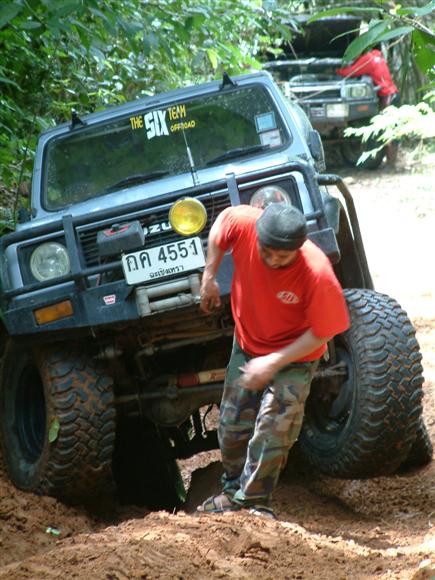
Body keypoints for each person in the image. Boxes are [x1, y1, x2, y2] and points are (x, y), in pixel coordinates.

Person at [196, 203, 350, 519]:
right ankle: (232, 493)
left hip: (296, 355)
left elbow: (323, 332)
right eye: (268, 252)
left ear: (299, 248)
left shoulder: (316, 272)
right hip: (247, 342)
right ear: (258, 237)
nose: (274, 260)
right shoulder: (243, 223)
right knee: (232, 426)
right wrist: (209, 276)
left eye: (284, 256)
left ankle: (254, 501)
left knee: (274, 427)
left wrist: (272, 362)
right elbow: (220, 226)